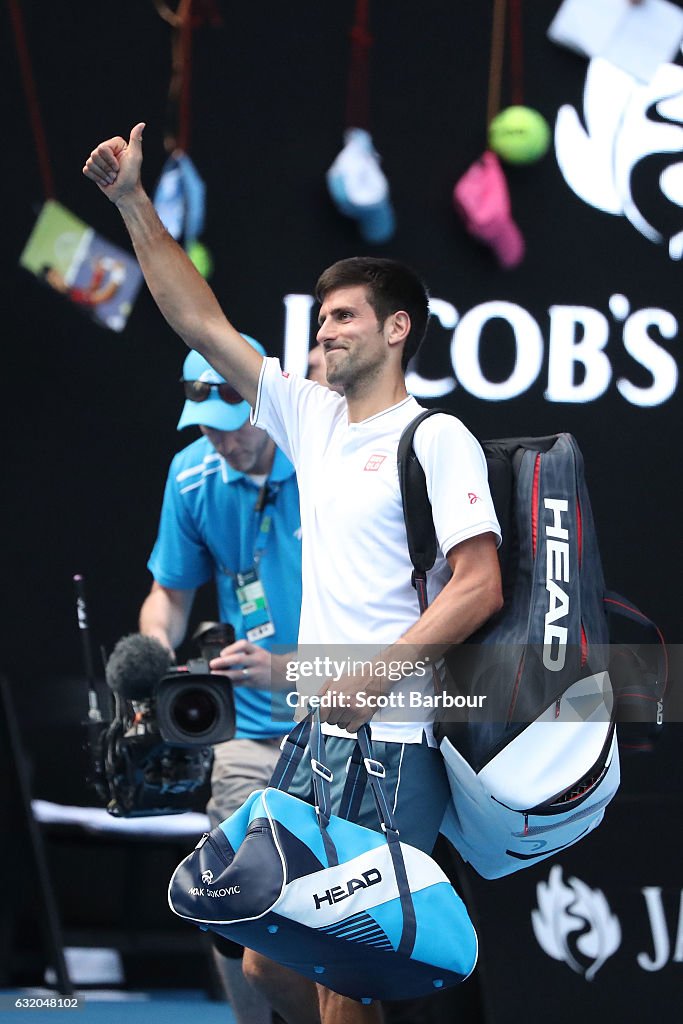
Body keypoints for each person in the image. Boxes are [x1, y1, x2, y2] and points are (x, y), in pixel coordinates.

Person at [84, 123, 503, 1024]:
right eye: (321, 321)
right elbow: (197, 318)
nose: (326, 331)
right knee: (267, 957)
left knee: (340, 975)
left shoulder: (437, 437)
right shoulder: (311, 419)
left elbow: (478, 586)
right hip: (317, 736)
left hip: (395, 742)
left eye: (344, 316)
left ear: (398, 329)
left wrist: (373, 674)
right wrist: (132, 203)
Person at [138, 343, 320, 1024]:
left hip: (344, 721)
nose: (222, 441)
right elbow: (169, 598)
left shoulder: (327, 462)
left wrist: (291, 667)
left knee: (336, 912)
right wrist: (155, 651)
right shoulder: (191, 476)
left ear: (265, 402)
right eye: (206, 426)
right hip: (247, 732)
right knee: (227, 901)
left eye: (232, 422)